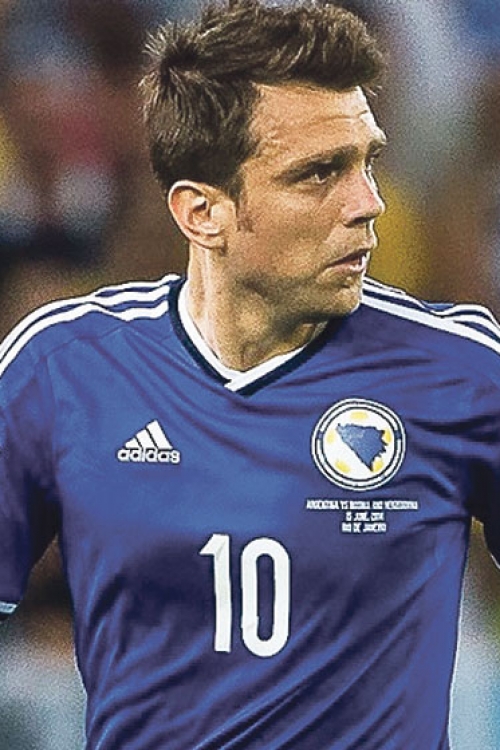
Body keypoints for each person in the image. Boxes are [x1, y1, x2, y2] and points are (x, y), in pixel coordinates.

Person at [1, 1, 500, 748]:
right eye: (319, 174)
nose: (369, 203)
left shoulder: (460, 373)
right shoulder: (62, 369)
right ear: (203, 212)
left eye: (367, 161)